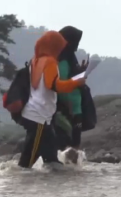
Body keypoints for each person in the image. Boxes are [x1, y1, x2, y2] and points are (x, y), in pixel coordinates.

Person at [18, 30, 86, 168]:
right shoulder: (50, 62)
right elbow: (54, 85)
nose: (61, 50)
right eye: (59, 46)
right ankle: (19, 186)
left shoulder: (35, 61)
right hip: (39, 118)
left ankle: (53, 187)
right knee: (27, 163)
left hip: (40, 117)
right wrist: (76, 83)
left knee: (51, 160)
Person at [56, 26, 86, 153]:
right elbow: (62, 81)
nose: (77, 45)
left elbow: (70, 76)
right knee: (70, 147)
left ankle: (71, 172)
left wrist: (80, 71)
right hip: (69, 108)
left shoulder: (70, 58)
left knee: (73, 145)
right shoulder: (63, 59)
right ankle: (69, 171)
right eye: (76, 42)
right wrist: (67, 105)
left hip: (74, 106)